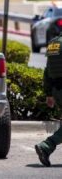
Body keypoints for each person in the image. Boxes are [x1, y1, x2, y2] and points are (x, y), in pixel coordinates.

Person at [35, 32, 62, 167]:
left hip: (57, 90)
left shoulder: (53, 43)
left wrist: (48, 94)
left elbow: (47, 70)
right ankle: (46, 146)